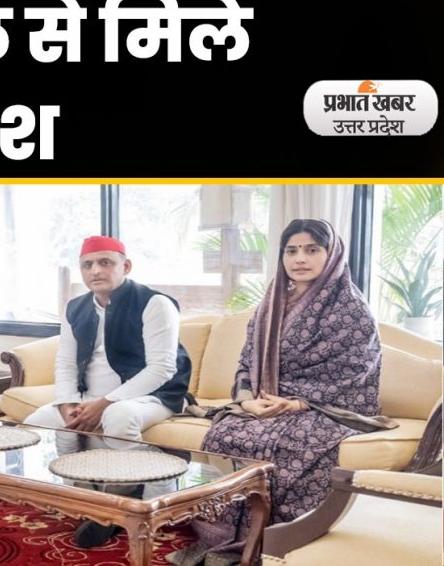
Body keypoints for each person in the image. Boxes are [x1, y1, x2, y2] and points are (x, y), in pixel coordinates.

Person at [169, 219, 395, 566]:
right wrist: (248, 400)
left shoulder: (351, 308)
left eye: (311, 249)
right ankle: (223, 535)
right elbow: (247, 360)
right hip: (265, 401)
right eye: (291, 251)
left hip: (322, 408)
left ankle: (280, 538)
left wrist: (298, 402)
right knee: (227, 431)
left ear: (332, 254)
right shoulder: (272, 303)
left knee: (298, 443)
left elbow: (356, 373)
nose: (299, 259)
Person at [24, 235, 192, 547]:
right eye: (87, 265)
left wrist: (103, 404)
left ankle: (157, 486)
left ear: (125, 266)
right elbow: (65, 362)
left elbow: (162, 369)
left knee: (118, 416)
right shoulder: (76, 307)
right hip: (89, 397)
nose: (95, 270)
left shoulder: (155, 303)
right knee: (38, 423)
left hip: (154, 396)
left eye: (105, 262)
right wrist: (67, 404)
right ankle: (86, 500)